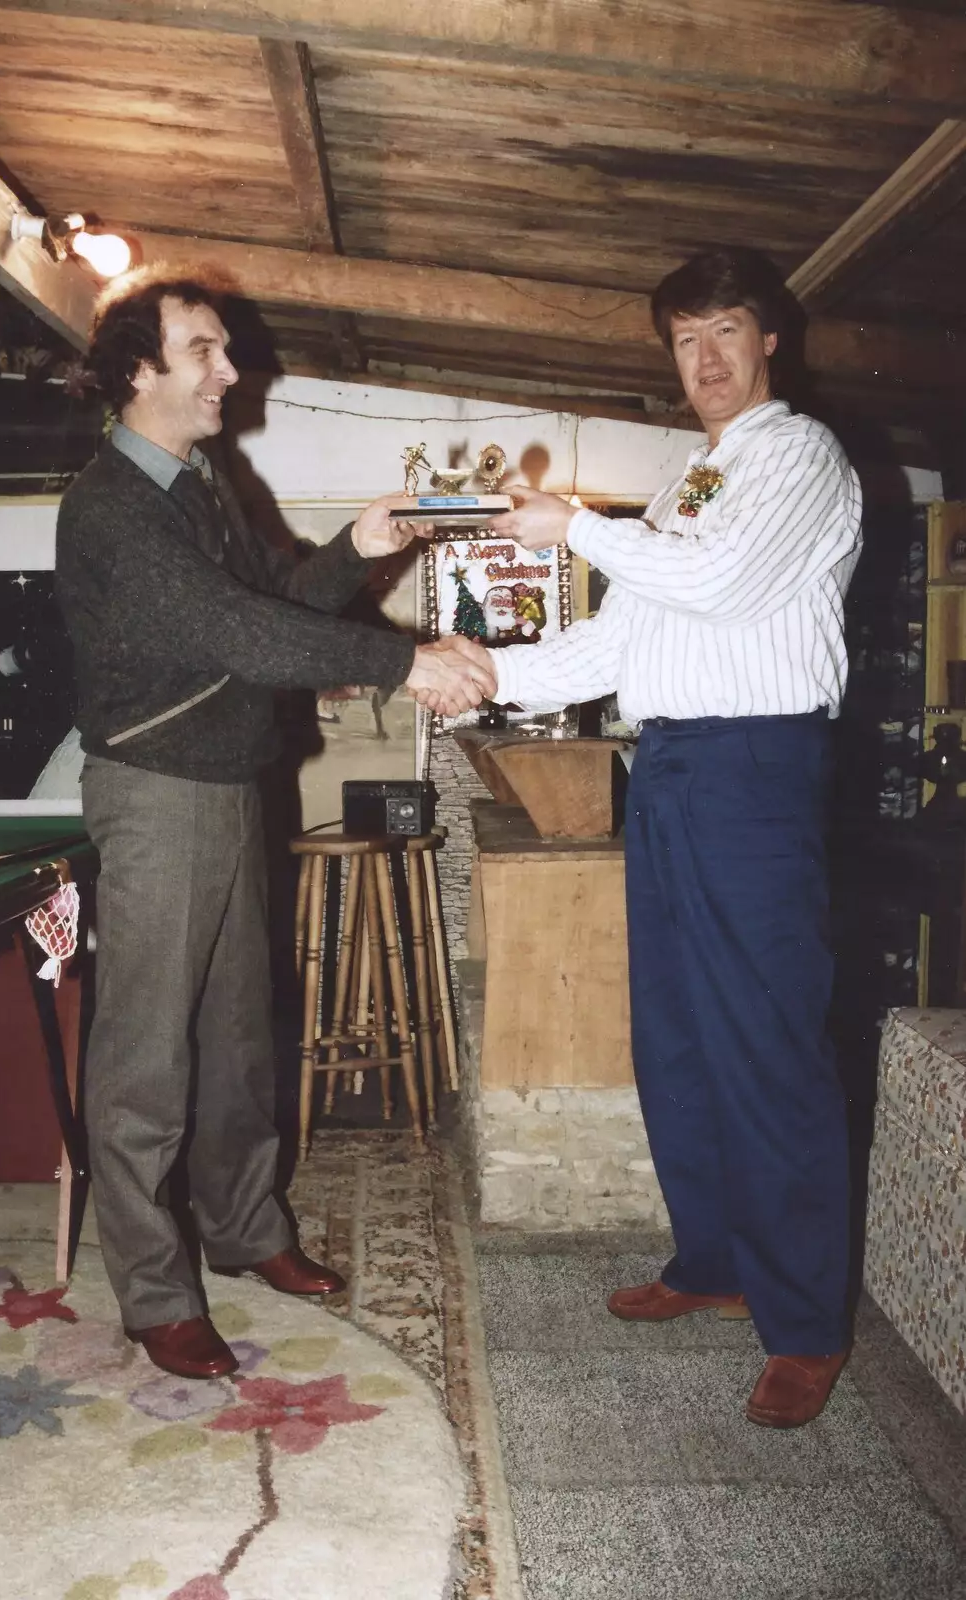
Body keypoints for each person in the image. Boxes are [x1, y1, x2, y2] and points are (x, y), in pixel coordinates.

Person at [426, 247, 863, 1429]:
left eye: (728, 331)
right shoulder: (694, 480)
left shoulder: (800, 457)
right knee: (675, 1035)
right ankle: (715, 1259)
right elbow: (615, 648)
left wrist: (575, 524)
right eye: (685, 339)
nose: (707, 359)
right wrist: (477, 673)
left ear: (772, 338)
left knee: (767, 1042)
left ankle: (808, 1324)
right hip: (670, 766)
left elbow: (719, 588)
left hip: (756, 769)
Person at [56, 270, 494, 1380]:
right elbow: (233, 632)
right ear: (136, 370)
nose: (229, 370)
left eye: (224, 349)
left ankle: (248, 1232)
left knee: (241, 1035)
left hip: (231, 780)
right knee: (145, 1060)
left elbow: (283, 600)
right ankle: (156, 1294)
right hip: (156, 793)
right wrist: (405, 656)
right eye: (202, 350)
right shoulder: (108, 502)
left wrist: (363, 538)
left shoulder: (203, 481)